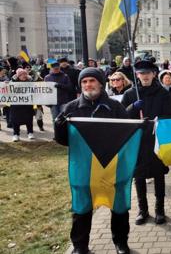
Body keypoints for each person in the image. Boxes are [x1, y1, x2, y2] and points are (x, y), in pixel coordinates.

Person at [53, 67, 131, 254]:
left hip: (112, 166)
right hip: (84, 168)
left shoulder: (114, 107)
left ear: (101, 84)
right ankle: (80, 246)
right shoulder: (71, 108)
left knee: (118, 207)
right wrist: (59, 127)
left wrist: (140, 126)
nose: (88, 85)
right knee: (82, 209)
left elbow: (128, 134)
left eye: (92, 81)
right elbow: (64, 141)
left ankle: (121, 243)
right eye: (84, 82)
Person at [121, 60, 171, 226]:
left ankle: (160, 210)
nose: (144, 76)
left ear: (153, 74)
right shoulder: (130, 94)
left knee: (159, 175)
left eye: (147, 73)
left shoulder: (163, 93)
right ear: (137, 75)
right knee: (139, 176)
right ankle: (142, 210)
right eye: (141, 73)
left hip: (156, 141)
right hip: (137, 142)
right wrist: (132, 108)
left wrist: (155, 123)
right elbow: (121, 117)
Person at [9, 68, 35, 142]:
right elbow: (7, 90)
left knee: (29, 119)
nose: (24, 76)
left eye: (25, 74)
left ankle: (30, 133)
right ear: (18, 76)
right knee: (15, 120)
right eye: (21, 74)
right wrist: (6, 84)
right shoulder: (12, 82)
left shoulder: (31, 82)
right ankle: (16, 134)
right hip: (16, 105)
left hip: (27, 104)